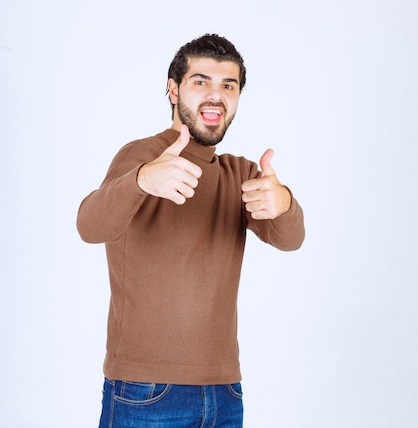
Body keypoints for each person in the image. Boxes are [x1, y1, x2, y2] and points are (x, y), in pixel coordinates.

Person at [77, 33, 305, 428]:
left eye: (228, 85)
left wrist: (283, 201)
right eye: (201, 82)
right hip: (145, 389)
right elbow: (90, 226)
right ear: (173, 89)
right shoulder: (142, 156)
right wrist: (142, 181)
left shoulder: (241, 173)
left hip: (225, 392)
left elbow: (290, 239)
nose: (216, 95)